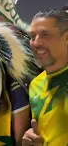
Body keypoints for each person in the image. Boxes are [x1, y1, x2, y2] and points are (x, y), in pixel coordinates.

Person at [22, 8, 68, 145]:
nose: (36, 43)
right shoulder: (35, 84)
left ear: (66, 38)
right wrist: (31, 137)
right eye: (32, 36)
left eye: (45, 35)